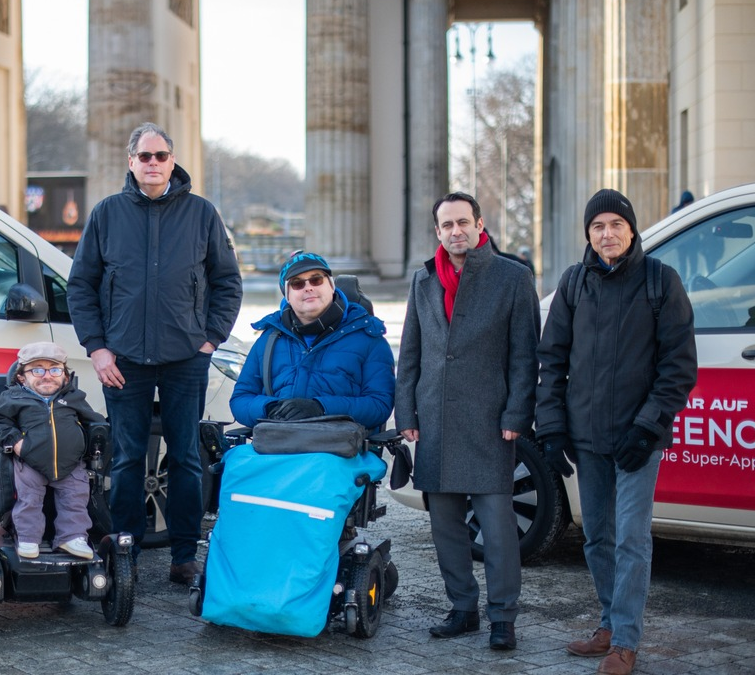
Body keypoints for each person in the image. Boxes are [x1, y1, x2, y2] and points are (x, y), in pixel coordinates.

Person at [67, 122, 243, 586]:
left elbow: (227, 282)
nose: (152, 164)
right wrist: (98, 349)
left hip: (186, 357)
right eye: (144, 156)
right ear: (130, 162)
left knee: (185, 456)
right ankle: (126, 550)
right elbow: (81, 286)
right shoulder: (107, 214)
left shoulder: (202, 214)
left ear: (172, 161)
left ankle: (184, 555)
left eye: (160, 156)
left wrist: (210, 340)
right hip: (123, 359)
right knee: (126, 458)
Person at [536, 189, 697, 675]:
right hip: (587, 436)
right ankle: (608, 622)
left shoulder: (660, 282)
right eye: (597, 227)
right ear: (588, 234)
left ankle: (625, 641)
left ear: (631, 229)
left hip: (637, 442)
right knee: (597, 536)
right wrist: (553, 429)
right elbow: (552, 359)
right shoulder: (574, 283)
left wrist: (648, 428)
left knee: (631, 538)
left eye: (615, 225)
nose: (607, 234)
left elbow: (678, 366)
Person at [394, 192, 539, 651]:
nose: (456, 231)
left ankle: (503, 617)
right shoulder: (422, 281)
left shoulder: (513, 278)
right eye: (446, 225)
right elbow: (410, 355)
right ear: (437, 232)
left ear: (479, 225)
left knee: (497, 530)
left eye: (463, 222)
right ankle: (463, 609)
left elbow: (525, 356)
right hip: (434, 419)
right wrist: (407, 413)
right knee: (446, 528)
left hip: (490, 422)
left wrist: (518, 413)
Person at [229, 251, 395, 433]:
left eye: (316, 280)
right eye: (297, 283)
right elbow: (241, 398)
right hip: (277, 444)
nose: (308, 287)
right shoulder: (269, 339)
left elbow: (380, 404)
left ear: (331, 286)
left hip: (341, 449)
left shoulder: (368, 338)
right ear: (287, 296)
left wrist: (321, 407)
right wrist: (270, 408)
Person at [0, 341, 107, 561]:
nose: (47, 376)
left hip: (70, 462)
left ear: (65, 376)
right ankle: (28, 538)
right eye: (37, 370)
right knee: (29, 499)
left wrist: (92, 440)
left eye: (54, 370)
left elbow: (94, 422)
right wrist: (17, 443)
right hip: (30, 460)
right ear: (22, 376)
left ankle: (71, 537)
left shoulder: (73, 398)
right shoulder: (14, 397)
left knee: (76, 497)